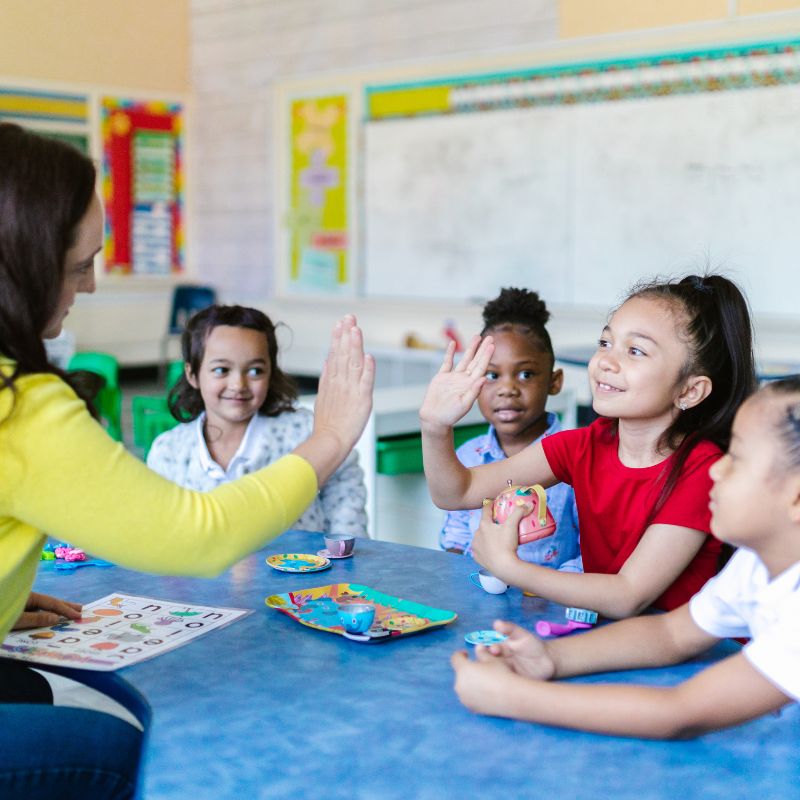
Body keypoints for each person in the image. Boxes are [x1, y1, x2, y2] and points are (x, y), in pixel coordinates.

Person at [0, 122, 373, 798]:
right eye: (80, 264)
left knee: (24, 687)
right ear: (24, 262)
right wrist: (332, 435)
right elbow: (199, 537)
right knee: (113, 751)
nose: (87, 287)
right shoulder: (18, 405)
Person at [450, 377, 800, 738]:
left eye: (737, 459)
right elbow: (672, 634)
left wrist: (512, 697)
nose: (716, 469)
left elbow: (679, 713)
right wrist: (551, 658)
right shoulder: (755, 564)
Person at [421, 274, 757, 618]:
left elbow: (628, 594)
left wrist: (510, 567)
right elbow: (457, 493)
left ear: (689, 391)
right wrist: (435, 427)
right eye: (605, 343)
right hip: (607, 635)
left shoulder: (703, 470)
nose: (606, 362)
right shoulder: (584, 445)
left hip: (681, 657)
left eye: (635, 350)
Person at [147, 304, 367, 536]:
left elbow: (345, 492)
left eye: (255, 371)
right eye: (221, 370)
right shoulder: (169, 451)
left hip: (302, 571)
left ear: (271, 372)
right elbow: (161, 532)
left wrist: (345, 558)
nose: (238, 385)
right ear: (192, 375)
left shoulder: (306, 432)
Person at [439, 288, 580, 571]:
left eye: (525, 374)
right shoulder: (468, 456)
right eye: (492, 375)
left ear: (555, 382)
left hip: (550, 603)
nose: (507, 389)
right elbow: (456, 540)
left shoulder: (577, 461)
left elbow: (593, 555)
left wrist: (550, 591)